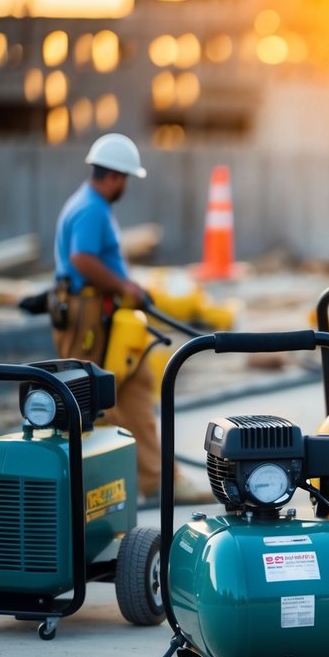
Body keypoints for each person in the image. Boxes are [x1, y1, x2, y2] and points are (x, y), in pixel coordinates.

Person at [53, 133, 212, 504]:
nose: (125, 185)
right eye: (125, 178)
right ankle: (94, 487)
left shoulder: (89, 205)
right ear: (114, 176)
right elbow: (82, 259)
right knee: (92, 398)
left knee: (135, 384)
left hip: (102, 314)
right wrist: (126, 286)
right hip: (89, 317)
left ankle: (157, 479)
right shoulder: (91, 209)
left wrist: (126, 289)